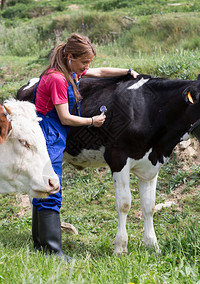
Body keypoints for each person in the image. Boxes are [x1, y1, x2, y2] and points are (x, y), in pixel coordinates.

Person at [31, 33, 139, 261]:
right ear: (70, 56)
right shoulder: (58, 79)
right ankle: (52, 251)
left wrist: (126, 72)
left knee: (42, 185)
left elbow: (99, 72)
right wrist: (92, 121)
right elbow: (65, 117)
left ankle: (40, 243)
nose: (86, 68)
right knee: (51, 187)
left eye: (88, 63)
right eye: (83, 63)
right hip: (49, 133)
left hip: (50, 132)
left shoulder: (67, 70)